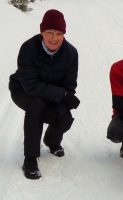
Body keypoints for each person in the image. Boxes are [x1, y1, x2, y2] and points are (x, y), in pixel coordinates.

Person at [9, 9, 80, 179]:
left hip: (52, 94)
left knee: (65, 118)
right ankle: (30, 158)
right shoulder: (28, 48)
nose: (54, 38)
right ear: (42, 32)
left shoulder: (71, 53)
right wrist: (62, 96)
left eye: (59, 33)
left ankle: (52, 141)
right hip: (23, 90)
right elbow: (31, 87)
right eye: (49, 32)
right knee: (37, 105)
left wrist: (61, 104)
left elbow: (69, 86)